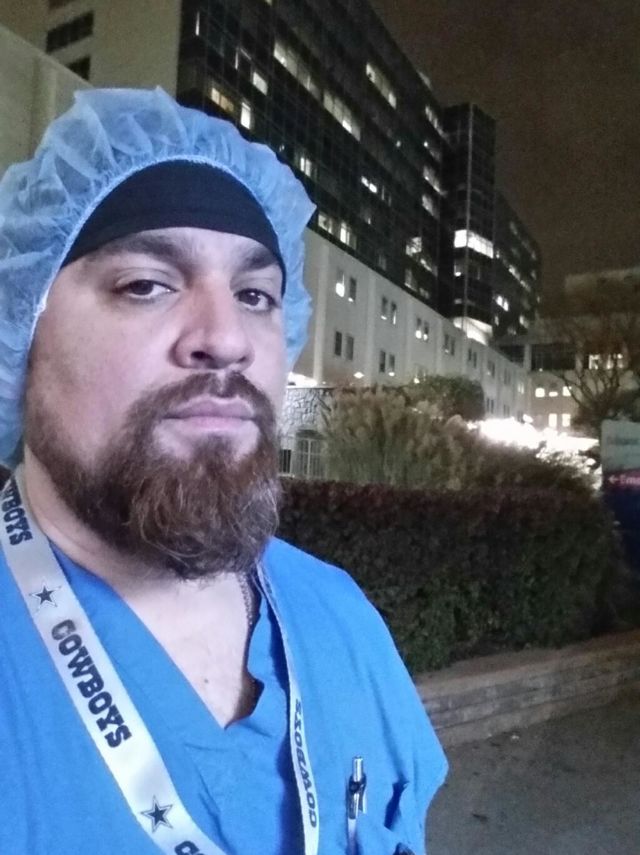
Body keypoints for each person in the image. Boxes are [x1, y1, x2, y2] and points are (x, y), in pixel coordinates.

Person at [0, 87, 447, 855]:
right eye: (146, 284)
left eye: (255, 294)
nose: (227, 337)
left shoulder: (341, 618)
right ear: (19, 336)